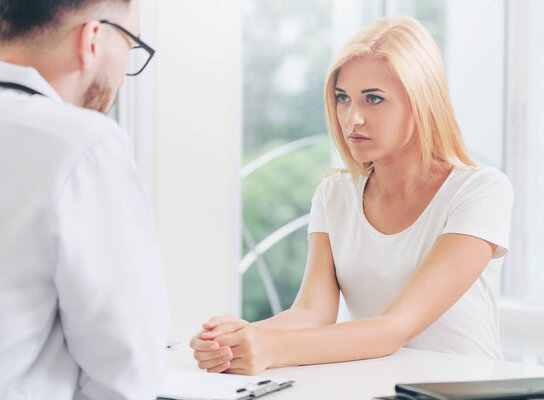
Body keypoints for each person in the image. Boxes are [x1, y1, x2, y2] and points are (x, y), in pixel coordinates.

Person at [190, 16, 513, 375]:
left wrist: (269, 348)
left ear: (422, 102)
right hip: (378, 387)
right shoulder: (334, 194)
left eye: (373, 99)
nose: (352, 118)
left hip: (469, 390)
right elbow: (313, 312)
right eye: (343, 99)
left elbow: (395, 326)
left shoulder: (481, 191)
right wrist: (234, 340)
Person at [0, 0, 168, 398]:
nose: (125, 78)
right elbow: (126, 371)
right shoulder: (81, 143)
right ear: (91, 38)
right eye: (130, 45)